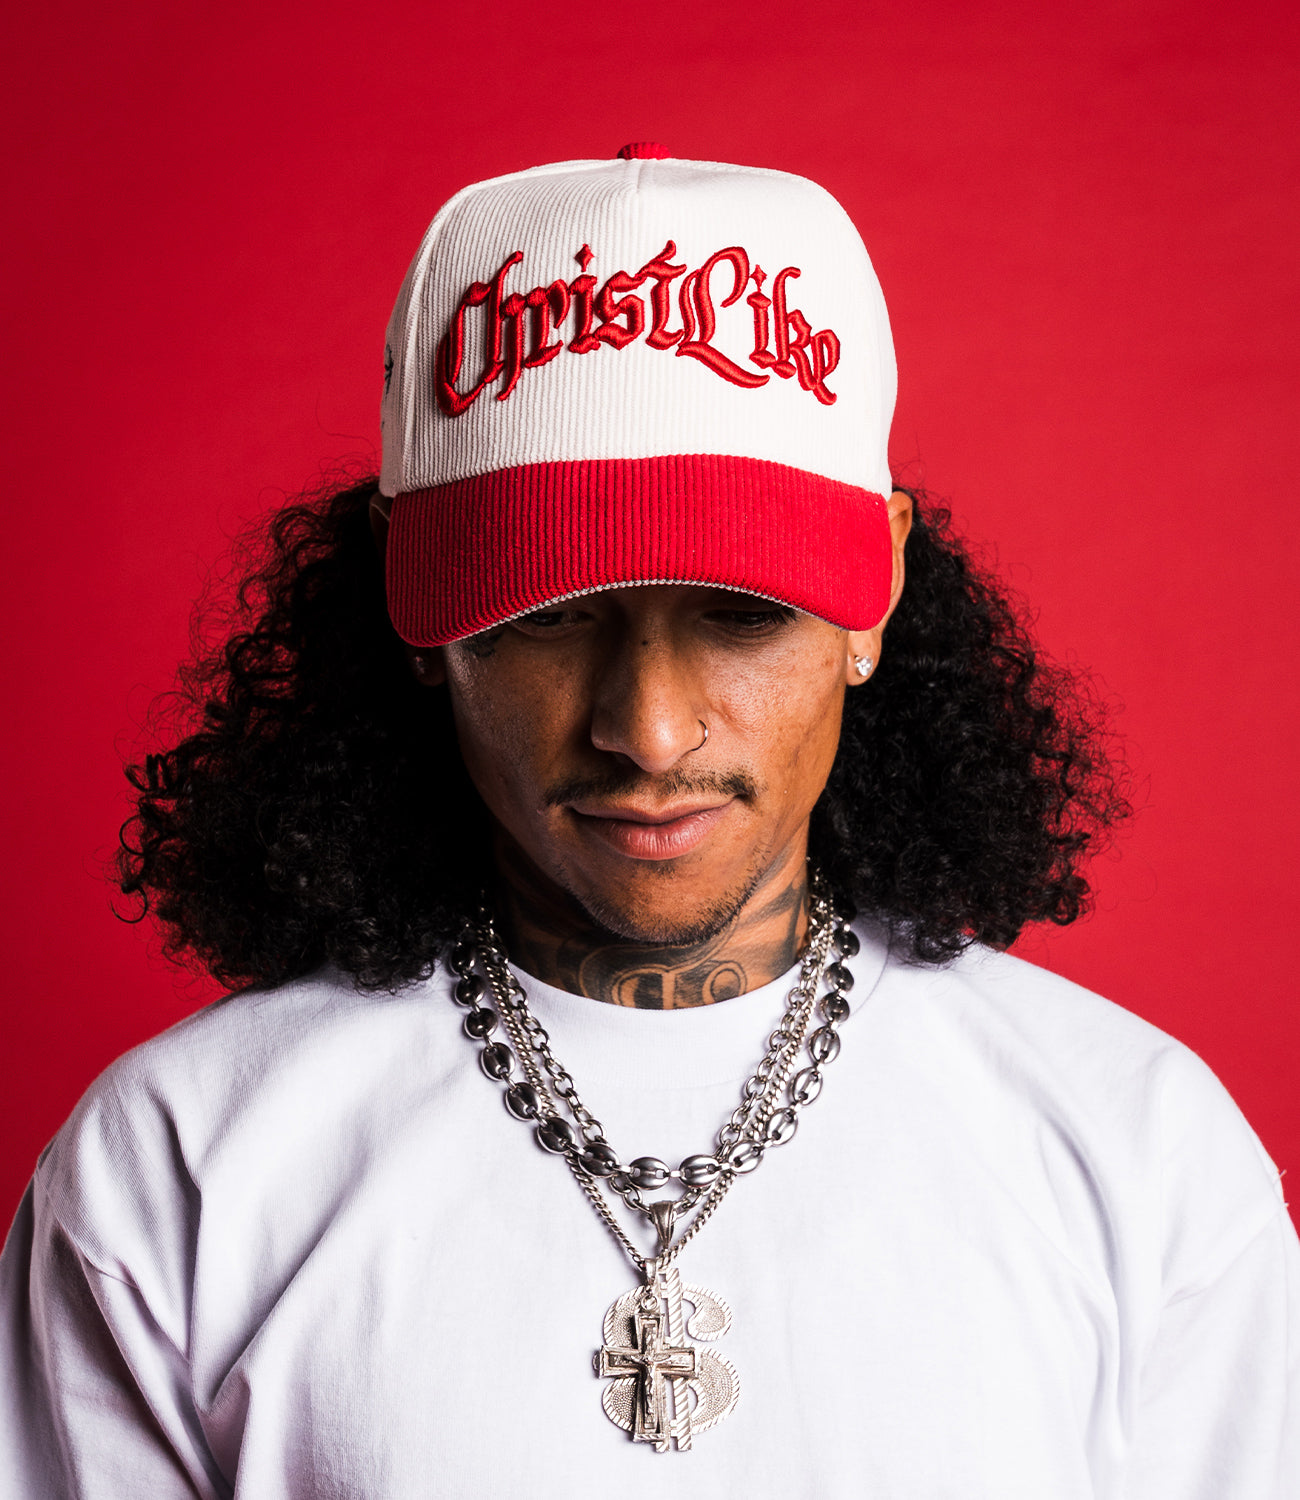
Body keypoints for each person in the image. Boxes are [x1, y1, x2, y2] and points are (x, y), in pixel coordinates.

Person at [2, 143, 1296, 1499]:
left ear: (874, 593)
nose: (652, 730)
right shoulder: (177, 1171)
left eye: (741, 613)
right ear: (416, 607)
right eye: (551, 612)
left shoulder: (1140, 1155)